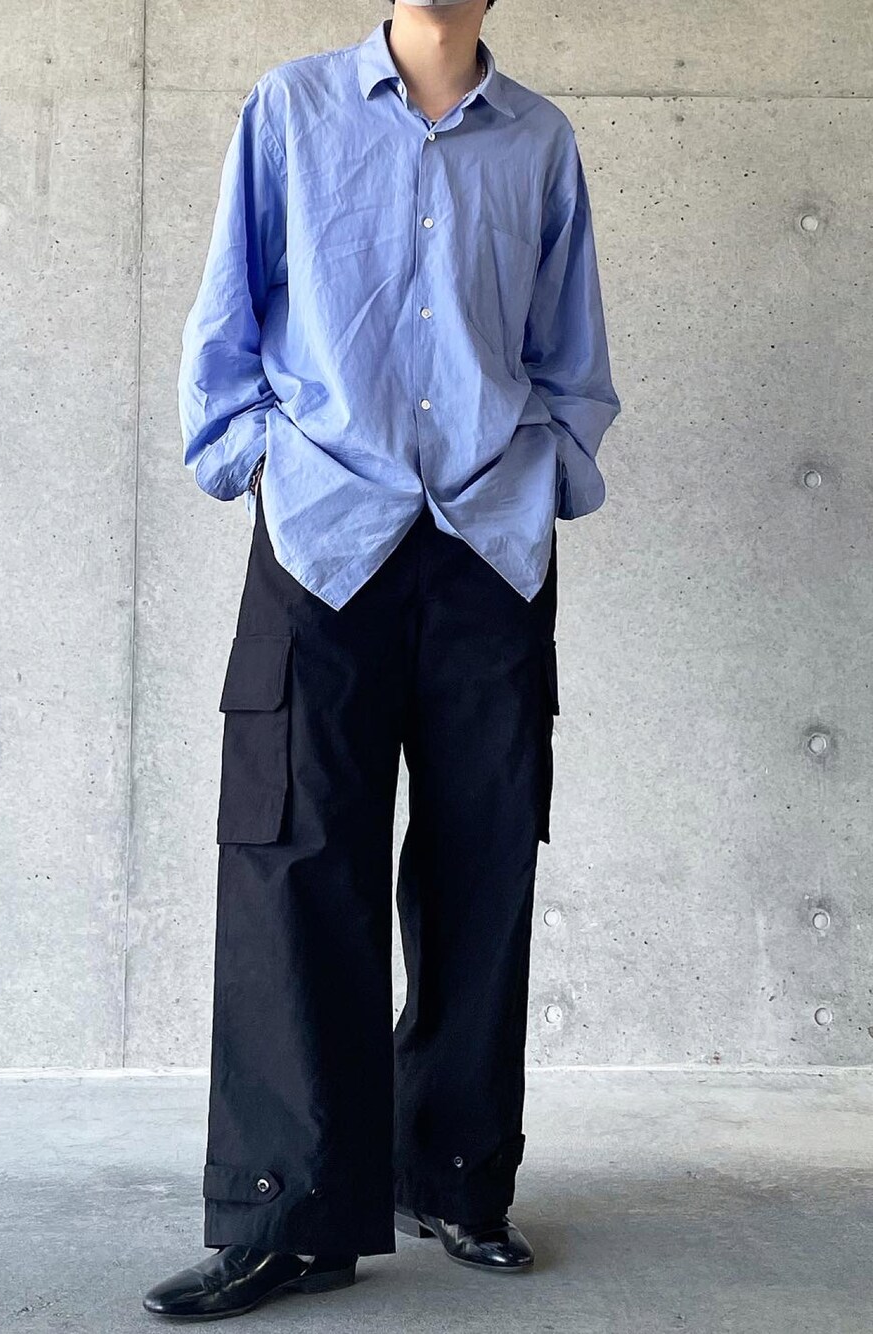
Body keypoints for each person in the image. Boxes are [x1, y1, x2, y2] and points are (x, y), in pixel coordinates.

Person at [144, 0, 621, 1320]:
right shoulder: (289, 111)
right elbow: (228, 314)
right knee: (295, 857)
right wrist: (259, 459)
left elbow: (570, 349)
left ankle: (456, 1177)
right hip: (323, 538)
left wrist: (549, 471)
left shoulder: (539, 142)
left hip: (489, 547)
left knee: (483, 861)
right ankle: (290, 1213)